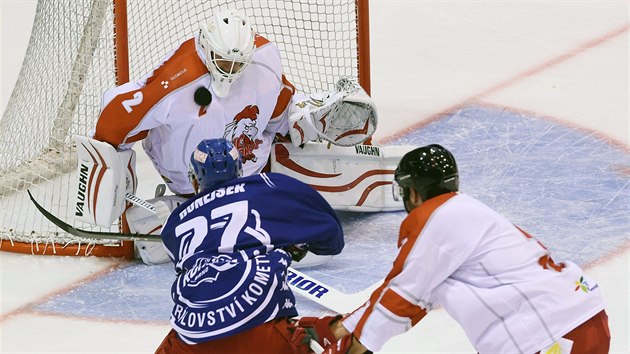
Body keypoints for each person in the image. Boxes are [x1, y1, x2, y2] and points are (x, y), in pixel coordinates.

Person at [72, 8, 376, 263]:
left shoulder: (264, 60)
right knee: (152, 239)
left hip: (253, 171)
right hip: (195, 187)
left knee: (166, 239)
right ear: (205, 48)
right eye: (224, 61)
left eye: (238, 62)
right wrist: (113, 170)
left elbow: (278, 108)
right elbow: (118, 112)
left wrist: (306, 119)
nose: (231, 69)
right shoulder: (176, 84)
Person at [292, 144, 610, 354]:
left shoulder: (435, 218)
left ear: (413, 193)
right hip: (583, 319)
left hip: (548, 335)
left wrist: (353, 345)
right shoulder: (465, 216)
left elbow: (402, 295)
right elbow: (412, 297)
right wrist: (340, 329)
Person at [154, 138, 344, 353]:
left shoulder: (174, 223)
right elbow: (332, 237)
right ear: (239, 170)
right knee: (336, 332)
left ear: (195, 180)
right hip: (262, 332)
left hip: (192, 342)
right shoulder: (271, 185)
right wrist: (298, 245)